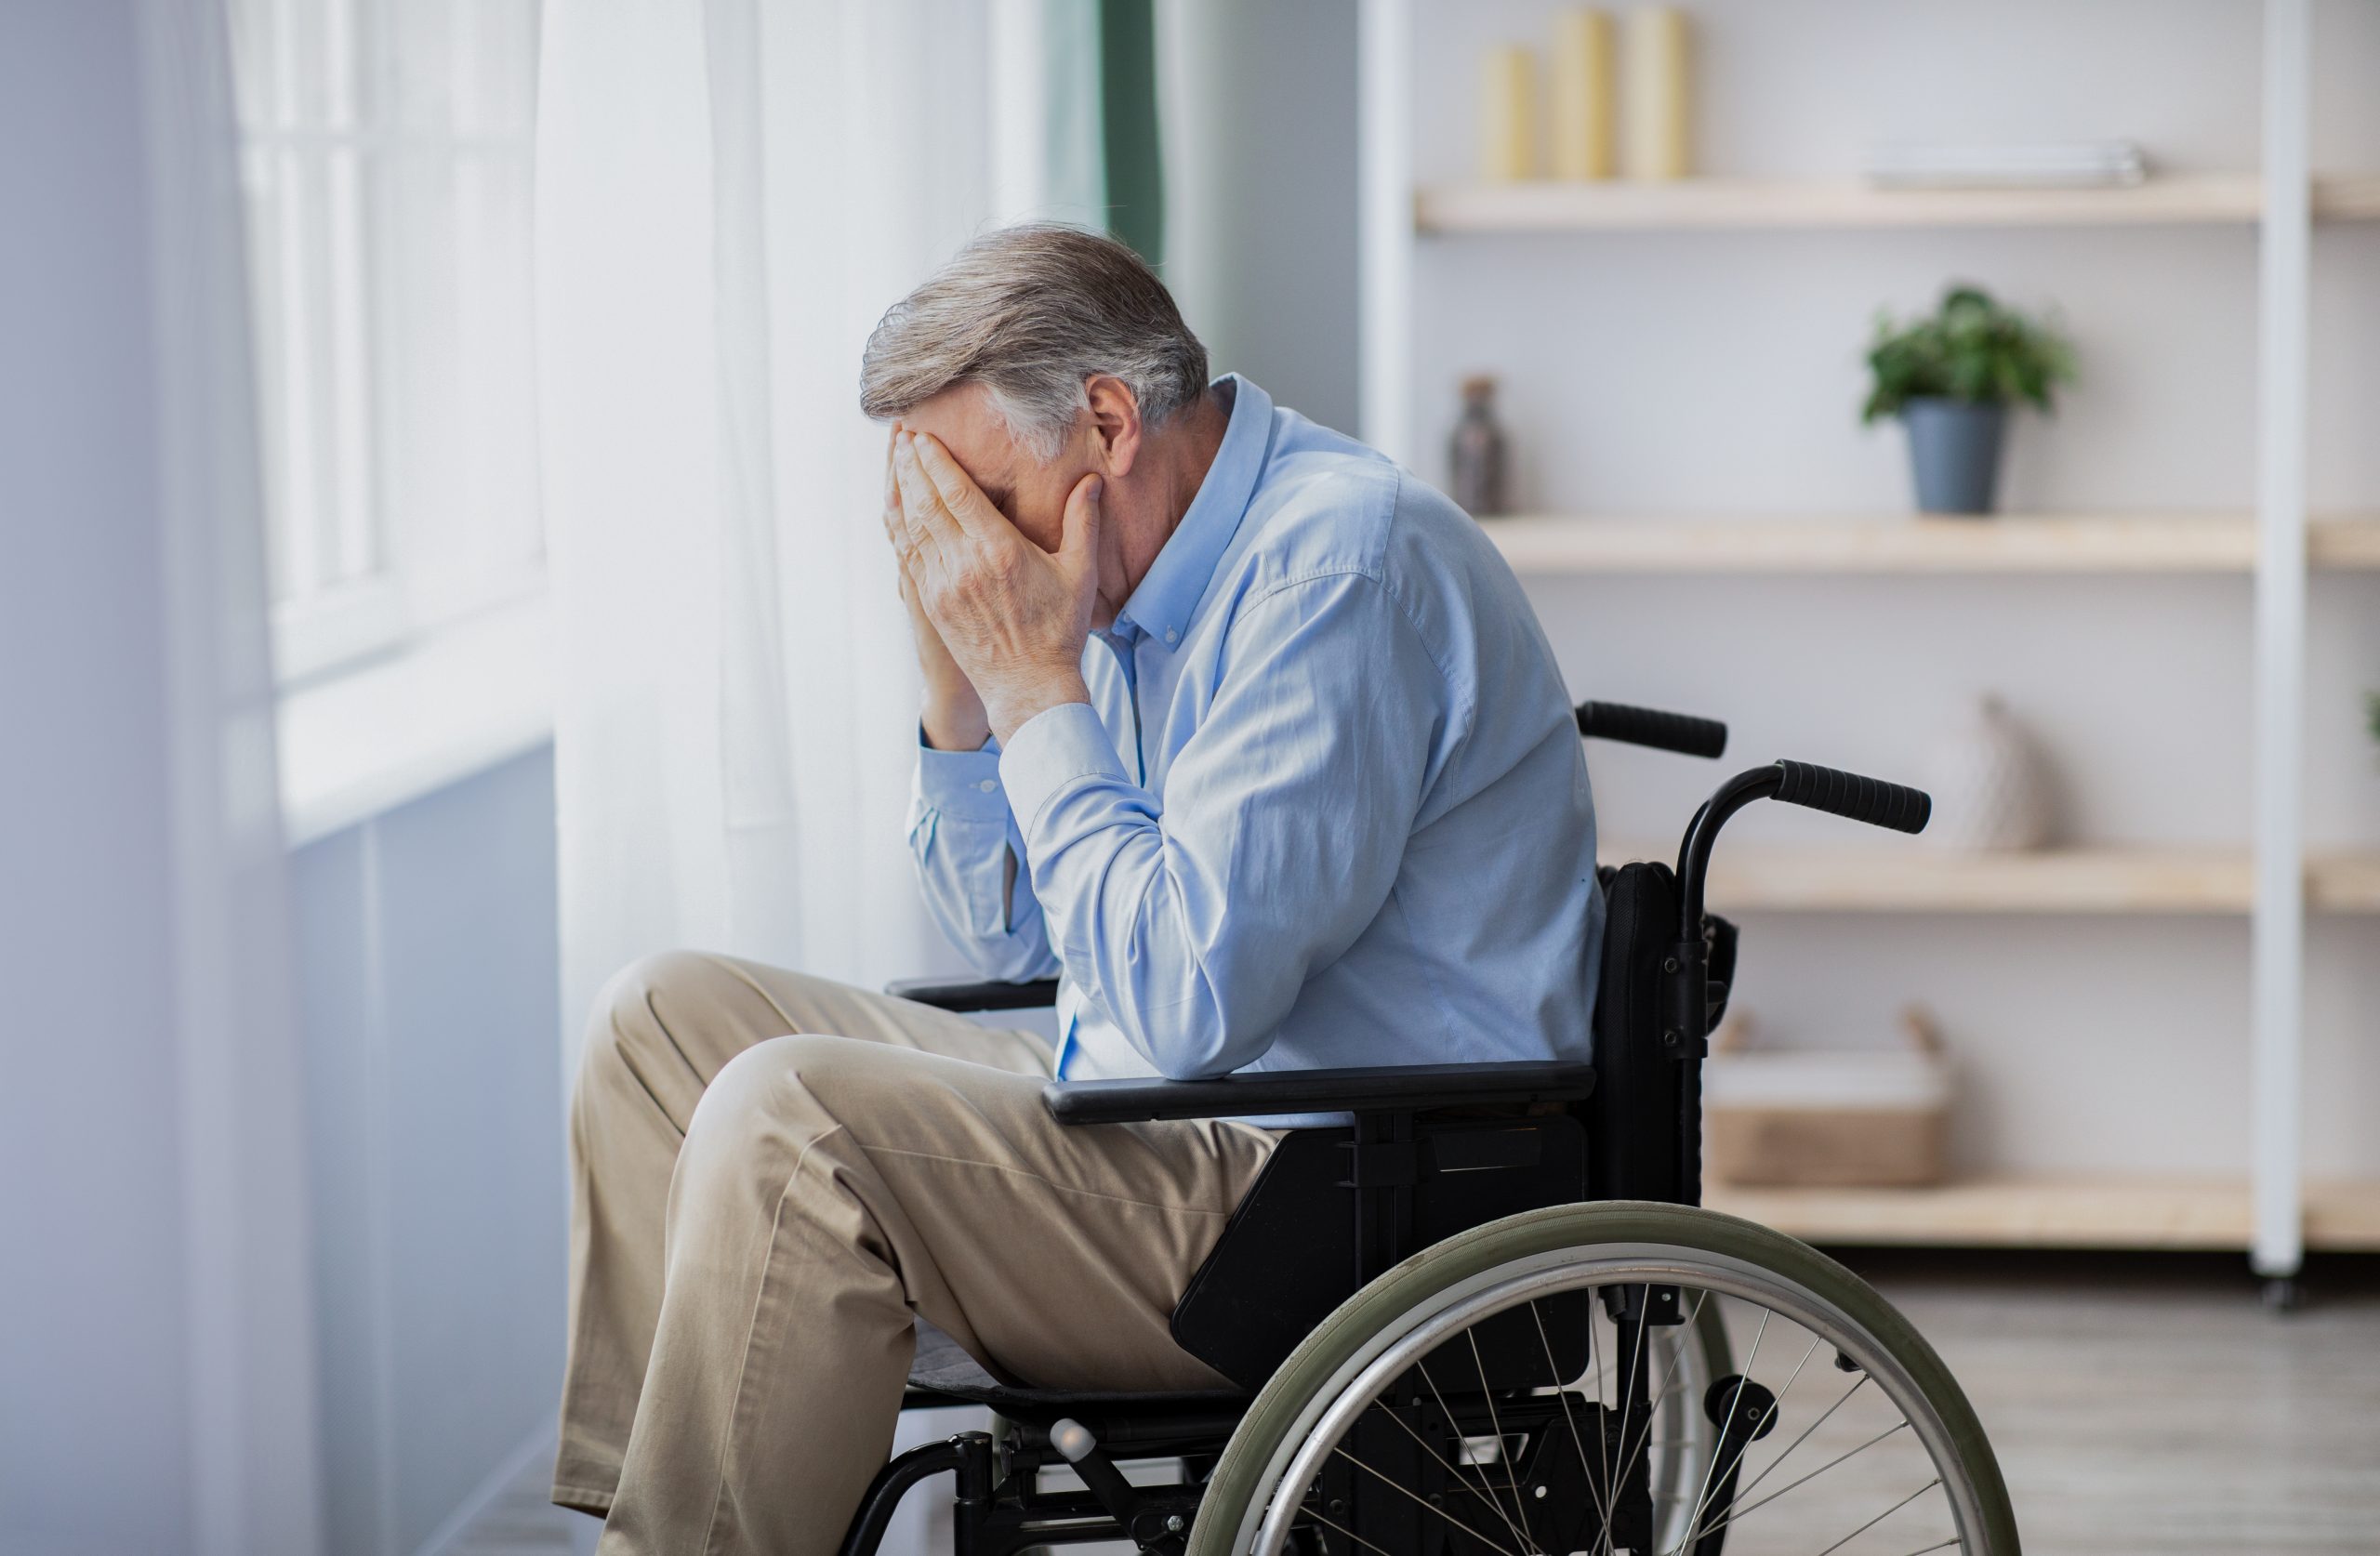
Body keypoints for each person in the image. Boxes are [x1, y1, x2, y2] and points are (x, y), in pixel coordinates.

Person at [555, 223, 1603, 1554]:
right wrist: (959, 683)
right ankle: (663, 1516)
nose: (971, 552)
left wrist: (1033, 685)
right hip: (1162, 1115)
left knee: (789, 1114)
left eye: (982, 499)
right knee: (661, 1023)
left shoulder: (1332, 572)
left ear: (1106, 421)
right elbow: (1021, 928)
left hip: (1331, 1196)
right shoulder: (1131, 573)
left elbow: (1180, 1006)